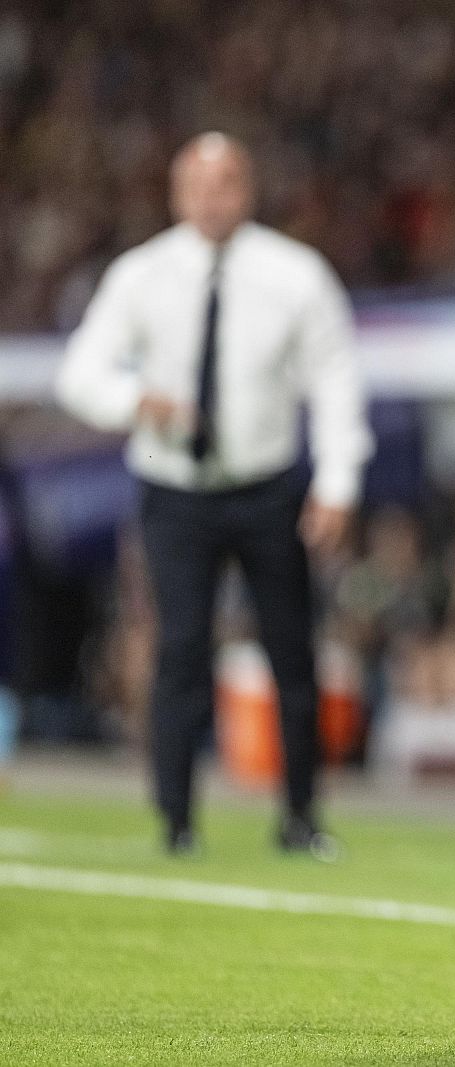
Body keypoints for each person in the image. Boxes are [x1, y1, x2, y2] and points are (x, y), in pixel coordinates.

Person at [54, 132, 372, 857]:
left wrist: (337, 481)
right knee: (179, 647)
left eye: (224, 182)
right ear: (176, 192)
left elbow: (335, 380)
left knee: (292, 651)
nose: (210, 197)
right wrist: (138, 399)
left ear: (247, 188)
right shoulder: (143, 273)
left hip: (268, 485)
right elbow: (81, 372)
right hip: (176, 487)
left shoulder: (295, 275)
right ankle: (175, 819)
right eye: (196, 183)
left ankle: (300, 816)